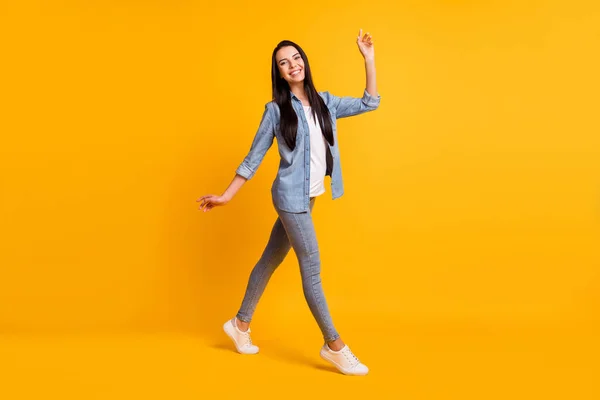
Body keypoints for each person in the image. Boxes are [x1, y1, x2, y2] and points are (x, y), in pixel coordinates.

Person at [197, 29, 380, 376]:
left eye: (296, 58)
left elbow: (370, 102)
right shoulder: (276, 110)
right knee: (311, 268)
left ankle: (239, 324)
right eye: (284, 63)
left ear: (304, 63)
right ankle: (334, 345)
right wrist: (226, 196)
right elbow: (253, 157)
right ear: (279, 73)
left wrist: (368, 59)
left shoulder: (326, 102)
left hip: (309, 198)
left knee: (271, 258)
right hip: (289, 199)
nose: (292, 65)